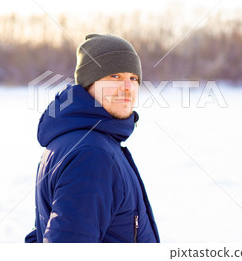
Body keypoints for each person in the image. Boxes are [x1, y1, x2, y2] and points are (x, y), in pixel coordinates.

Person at [25, 34, 160, 243]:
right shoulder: (92, 154)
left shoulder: (78, 139)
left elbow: (40, 235)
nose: (128, 88)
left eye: (133, 78)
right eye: (114, 76)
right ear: (88, 84)